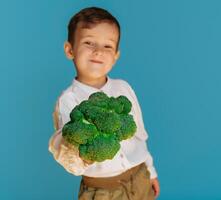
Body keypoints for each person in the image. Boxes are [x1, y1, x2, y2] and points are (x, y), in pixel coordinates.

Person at [48, 7, 160, 200]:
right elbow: (68, 157)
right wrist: (84, 155)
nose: (98, 51)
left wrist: (151, 170)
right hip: (102, 190)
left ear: (116, 56)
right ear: (70, 50)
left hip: (140, 177)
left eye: (107, 46)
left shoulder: (123, 88)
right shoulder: (68, 100)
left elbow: (139, 135)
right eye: (89, 42)